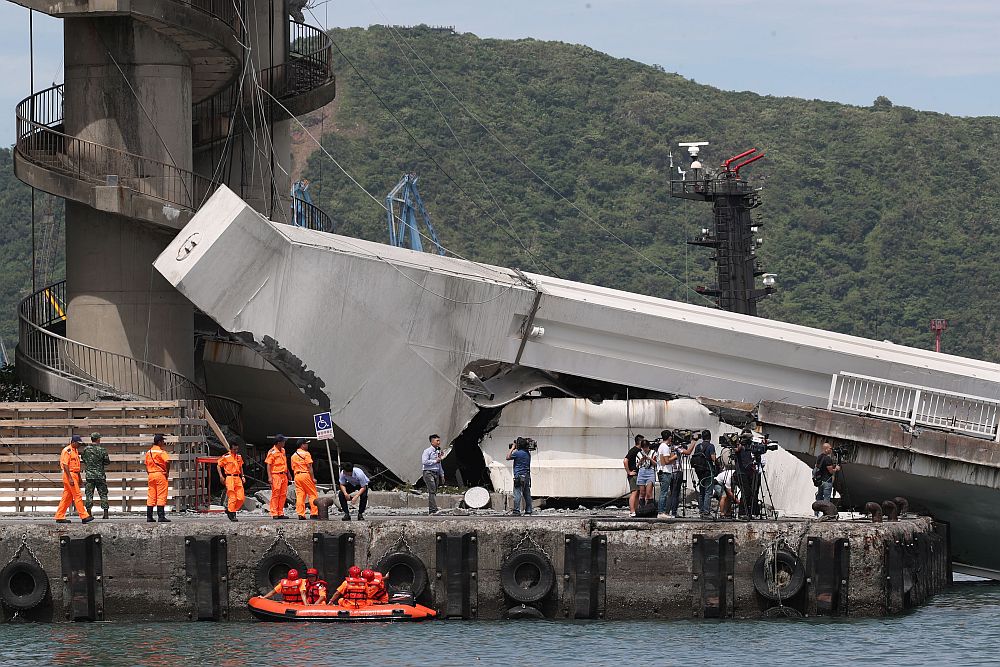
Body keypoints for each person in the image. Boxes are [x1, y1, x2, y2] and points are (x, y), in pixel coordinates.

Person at [55, 435, 93, 524]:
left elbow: (77, 466)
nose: (79, 445)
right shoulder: (67, 451)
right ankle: (84, 516)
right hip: (69, 475)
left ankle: (59, 516)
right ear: (73, 442)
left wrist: (79, 478)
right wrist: (70, 478)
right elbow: (65, 465)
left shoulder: (75, 451)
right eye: (78, 443)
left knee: (67, 497)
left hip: (74, 475)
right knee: (77, 495)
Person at [82, 432, 111, 520]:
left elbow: (83, 459)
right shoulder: (102, 450)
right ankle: (105, 514)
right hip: (100, 475)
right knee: (103, 494)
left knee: (89, 494)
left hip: (90, 476)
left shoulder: (86, 449)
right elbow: (107, 462)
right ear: (98, 439)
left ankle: (89, 513)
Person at [689, 430, 717, 518]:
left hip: (699, 471)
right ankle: (706, 511)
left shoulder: (698, 446)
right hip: (708, 471)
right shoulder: (711, 446)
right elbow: (713, 458)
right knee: (708, 492)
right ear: (710, 437)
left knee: (702, 491)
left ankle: (701, 510)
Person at [144, 434, 171, 523]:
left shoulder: (149, 452)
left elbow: (146, 464)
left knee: (151, 495)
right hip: (160, 474)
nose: (164, 443)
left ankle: (149, 516)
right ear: (159, 442)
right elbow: (167, 461)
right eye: (163, 441)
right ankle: (161, 516)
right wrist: (167, 472)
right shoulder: (161, 452)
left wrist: (149, 472)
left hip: (151, 475)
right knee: (161, 495)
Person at [217, 444, 245, 522]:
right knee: (232, 496)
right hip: (229, 477)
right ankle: (232, 513)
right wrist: (221, 476)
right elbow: (219, 465)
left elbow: (240, 467)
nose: (236, 451)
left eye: (237, 449)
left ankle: (230, 510)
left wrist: (242, 476)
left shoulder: (239, 457)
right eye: (234, 449)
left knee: (241, 497)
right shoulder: (226, 456)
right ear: (230, 449)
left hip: (237, 477)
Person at [265, 435, 290, 519]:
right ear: (279, 442)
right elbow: (268, 465)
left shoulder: (283, 450)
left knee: (283, 494)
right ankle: (274, 512)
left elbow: (285, 463)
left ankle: (280, 512)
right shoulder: (272, 452)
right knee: (276, 494)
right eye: (283, 441)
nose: (284, 443)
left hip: (284, 474)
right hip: (276, 475)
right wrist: (269, 477)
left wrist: (288, 473)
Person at [291, 440, 318, 520]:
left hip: (297, 476)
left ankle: (300, 514)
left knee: (300, 495)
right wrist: (313, 478)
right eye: (306, 444)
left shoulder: (293, 455)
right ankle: (314, 513)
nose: (307, 445)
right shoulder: (306, 454)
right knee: (312, 494)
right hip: (305, 475)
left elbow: (293, 468)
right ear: (302, 445)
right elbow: (310, 467)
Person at [506, 437, 533, 516]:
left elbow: (507, 457)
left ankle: (516, 511)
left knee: (517, 493)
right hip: (526, 475)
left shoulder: (518, 453)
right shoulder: (527, 453)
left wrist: (512, 449)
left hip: (519, 476)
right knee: (526, 493)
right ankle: (528, 510)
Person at [814, 442, 841, 517]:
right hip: (827, 481)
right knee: (826, 499)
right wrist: (836, 469)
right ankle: (826, 515)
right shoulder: (828, 458)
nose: (831, 450)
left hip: (820, 481)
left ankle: (816, 514)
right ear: (826, 449)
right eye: (830, 448)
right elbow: (831, 471)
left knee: (819, 497)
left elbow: (818, 466)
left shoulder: (819, 457)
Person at [421, 434, 445, 515]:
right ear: (432, 442)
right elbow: (424, 461)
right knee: (432, 490)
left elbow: (439, 463)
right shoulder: (427, 451)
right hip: (428, 472)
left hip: (436, 472)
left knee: (434, 491)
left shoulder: (437, 451)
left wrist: (442, 474)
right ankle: (433, 510)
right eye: (437, 441)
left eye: (439, 440)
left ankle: (433, 509)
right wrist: (435, 461)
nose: (439, 442)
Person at [655, 431, 675, 516]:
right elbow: (666, 461)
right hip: (665, 472)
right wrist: (674, 457)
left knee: (664, 492)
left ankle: (662, 511)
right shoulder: (665, 447)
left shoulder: (661, 446)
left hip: (661, 471)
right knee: (664, 493)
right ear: (669, 437)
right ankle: (661, 511)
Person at [623, 434, 643, 517]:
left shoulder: (639, 451)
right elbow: (625, 460)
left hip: (637, 473)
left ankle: (635, 509)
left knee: (637, 492)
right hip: (633, 474)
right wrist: (629, 472)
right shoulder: (634, 450)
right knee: (634, 492)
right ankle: (632, 511)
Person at [635, 438, 657, 512]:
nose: (645, 449)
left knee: (649, 493)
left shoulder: (653, 453)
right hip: (642, 471)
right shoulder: (639, 454)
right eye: (643, 447)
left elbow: (656, 464)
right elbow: (637, 466)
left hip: (650, 471)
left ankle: (650, 509)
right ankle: (641, 509)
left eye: (646, 447)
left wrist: (649, 459)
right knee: (642, 493)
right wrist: (641, 460)